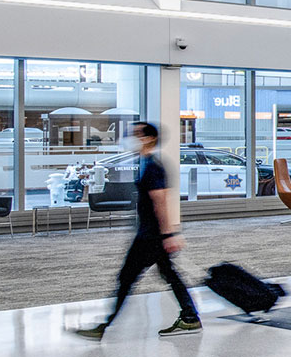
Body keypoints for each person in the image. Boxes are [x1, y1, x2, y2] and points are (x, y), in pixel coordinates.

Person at [73, 122, 201, 340]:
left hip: (150, 236)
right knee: (169, 274)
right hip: (150, 233)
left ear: (150, 138)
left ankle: (105, 325)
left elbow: (160, 202)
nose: (132, 138)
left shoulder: (153, 166)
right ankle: (190, 316)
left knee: (127, 277)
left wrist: (170, 234)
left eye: (137, 134)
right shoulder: (143, 162)